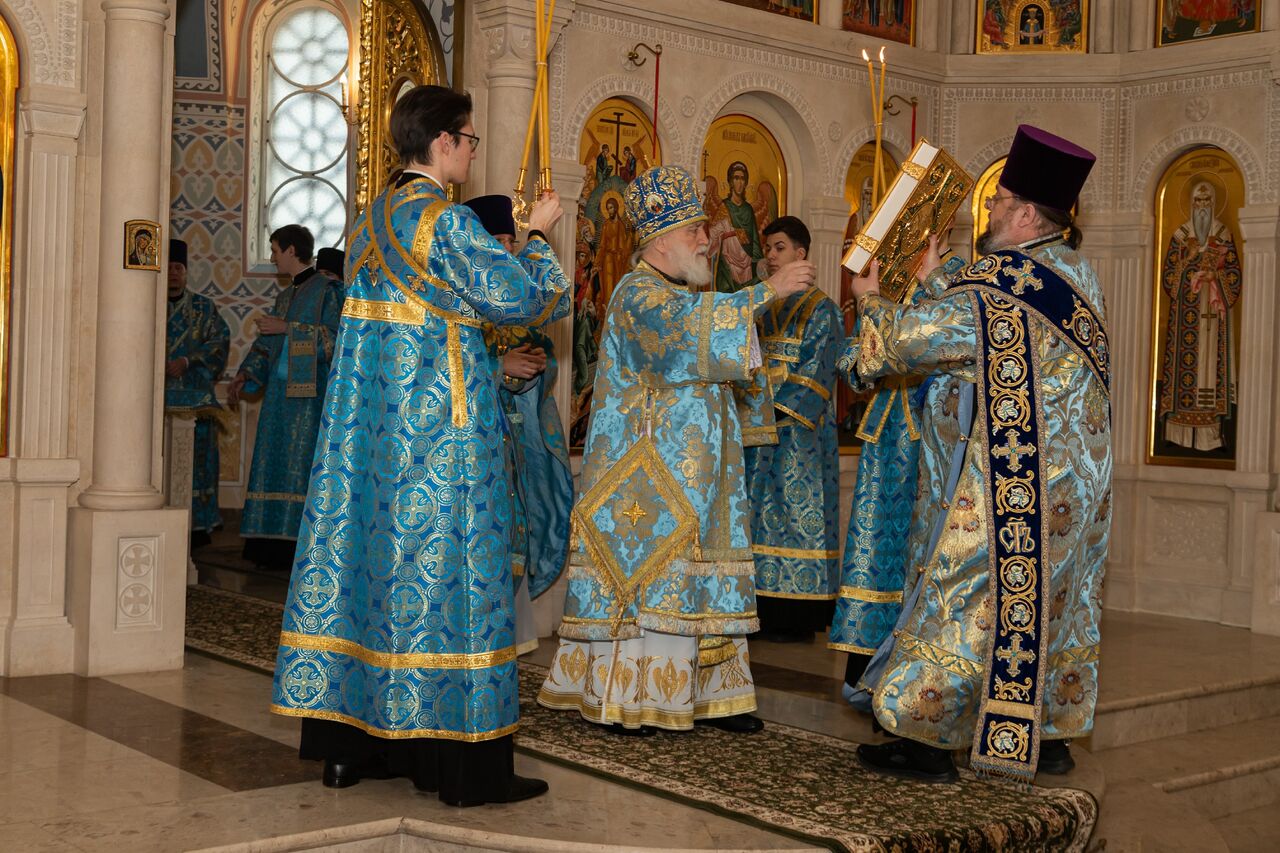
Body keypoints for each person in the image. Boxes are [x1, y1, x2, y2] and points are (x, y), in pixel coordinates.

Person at [270, 84, 569, 806]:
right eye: (468, 140)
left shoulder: (371, 221)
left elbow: (425, 325)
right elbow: (528, 299)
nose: (471, 151)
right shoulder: (444, 221)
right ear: (443, 142)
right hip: (443, 444)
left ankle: (354, 752)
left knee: (369, 579)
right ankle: (464, 771)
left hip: (371, 445)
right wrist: (538, 237)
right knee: (454, 586)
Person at [843, 125, 1111, 785]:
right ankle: (1047, 735)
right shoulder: (1077, 274)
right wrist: (938, 278)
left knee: (963, 595)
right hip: (1073, 486)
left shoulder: (1005, 280)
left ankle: (925, 737)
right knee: (1053, 600)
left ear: (1026, 217)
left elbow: (911, 343)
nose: (988, 210)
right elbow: (989, 335)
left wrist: (870, 299)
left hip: (1010, 483)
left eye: (999, 202)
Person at [537, 165, 816, 734]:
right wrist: (767, 290)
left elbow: (720, 352)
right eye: (694, 231)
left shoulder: (684, 294)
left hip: (703, 476)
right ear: (662, 240)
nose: (705, 240)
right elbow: (683, 334)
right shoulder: (637, 293)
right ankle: (629, 697)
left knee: (706, 577)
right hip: (649, 478)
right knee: (657, 581)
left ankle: (713, 696)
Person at [464, 193, 574, 654]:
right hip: (473, 442)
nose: (507, 250)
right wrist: (498, 366)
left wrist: (532, 369)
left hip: (512, 442)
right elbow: (446, 368)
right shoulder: (465, 293)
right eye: (499, 241)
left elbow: (542, 341)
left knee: (512, 531)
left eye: (512, 241)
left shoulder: (507, 296)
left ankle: (509, 640)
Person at [743, 217, 842, 643]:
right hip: (754, 429)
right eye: (768, 248)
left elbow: (817, 370)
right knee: (755, 518)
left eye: (779, 247)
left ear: (801, 254)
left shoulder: (823, 309)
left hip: (799, 436)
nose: (770, 255)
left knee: (796, 517)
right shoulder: (760, 304)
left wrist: (775, 412)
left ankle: (794, 617)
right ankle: (755, 608)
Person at [226, 225, 343, 570]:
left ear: (292, 250)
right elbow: (268, 345)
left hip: (309, 399)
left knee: (299, 466)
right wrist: (246, 372)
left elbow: (336, 339)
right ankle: (267, 544)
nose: (273, 257)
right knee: (271, 464)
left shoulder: (330, 291)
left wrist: (287, 328)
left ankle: (297, 547)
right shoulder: (284, 296)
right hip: (278, 397)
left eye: (276, 250)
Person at [1155, 180, 1241, 452]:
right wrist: (1187, 260)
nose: (1202, 207)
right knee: (1184, 373)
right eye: (1197, 202)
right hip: (1184, 320)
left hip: (1213, 318)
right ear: (1191, 204)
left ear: (1213, 204)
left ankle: (1211, 438)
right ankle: (1177, 436)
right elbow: (1168, 280)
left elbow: (1234, 277)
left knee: (1210, 373)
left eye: (1206, 202)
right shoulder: (1181, 236)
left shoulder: (1223, 235)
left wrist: (1216, 276)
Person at [163, 238, 230, 546]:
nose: (173, 273)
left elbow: (219, 341)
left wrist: (187, 361)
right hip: (155, 401)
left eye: (179, 268)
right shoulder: (146, 303)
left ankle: (198, 524)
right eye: (169, 268)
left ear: (186, 273)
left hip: (196, 401)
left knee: (198, 461)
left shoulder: (204, 307)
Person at [715, 162, 765, 293]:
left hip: (747, 263)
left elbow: (754, 238)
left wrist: (758, 263)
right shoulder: (724, 207)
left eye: (743, 179)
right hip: (729, 262)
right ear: (731, 182)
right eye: (736, 178)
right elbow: (714, 237)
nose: (739, 182)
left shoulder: (748, 209)